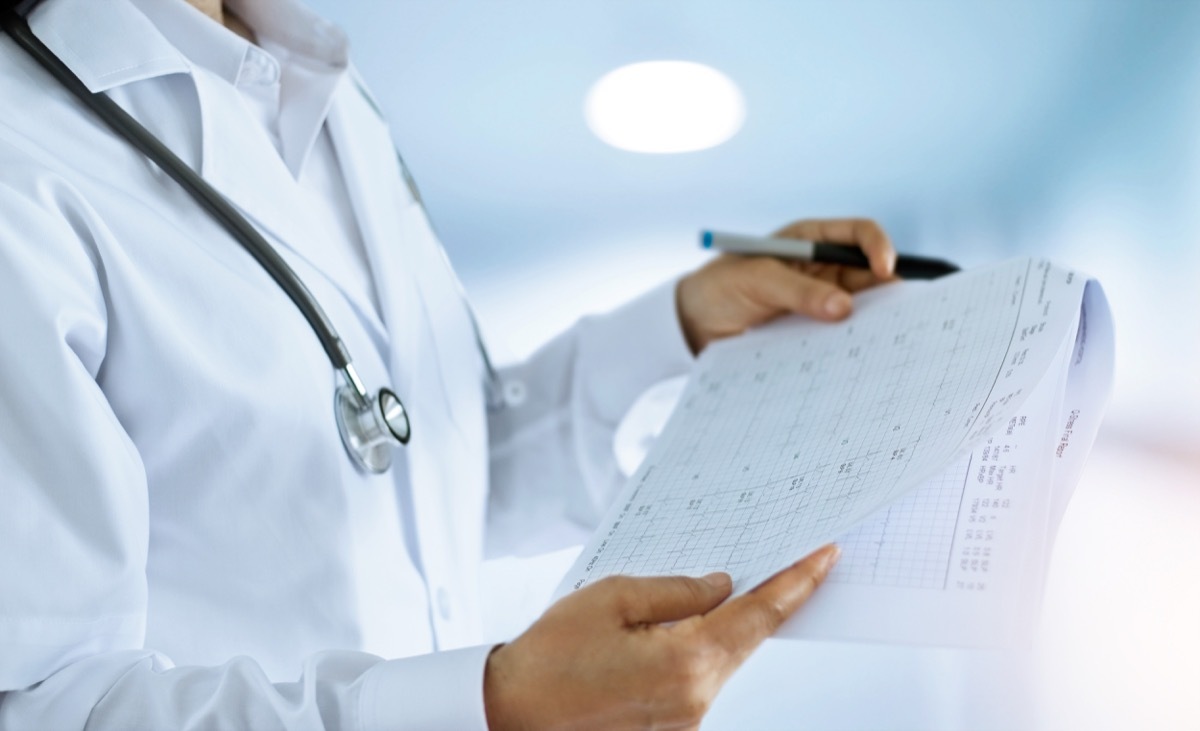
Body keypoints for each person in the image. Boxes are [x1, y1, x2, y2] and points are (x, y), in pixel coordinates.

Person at [0, 0, 897, 728]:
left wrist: (683, 328)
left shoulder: (323, 93)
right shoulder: (23, 159)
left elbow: (420, 468)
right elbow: (42, 703)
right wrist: (488, 703)